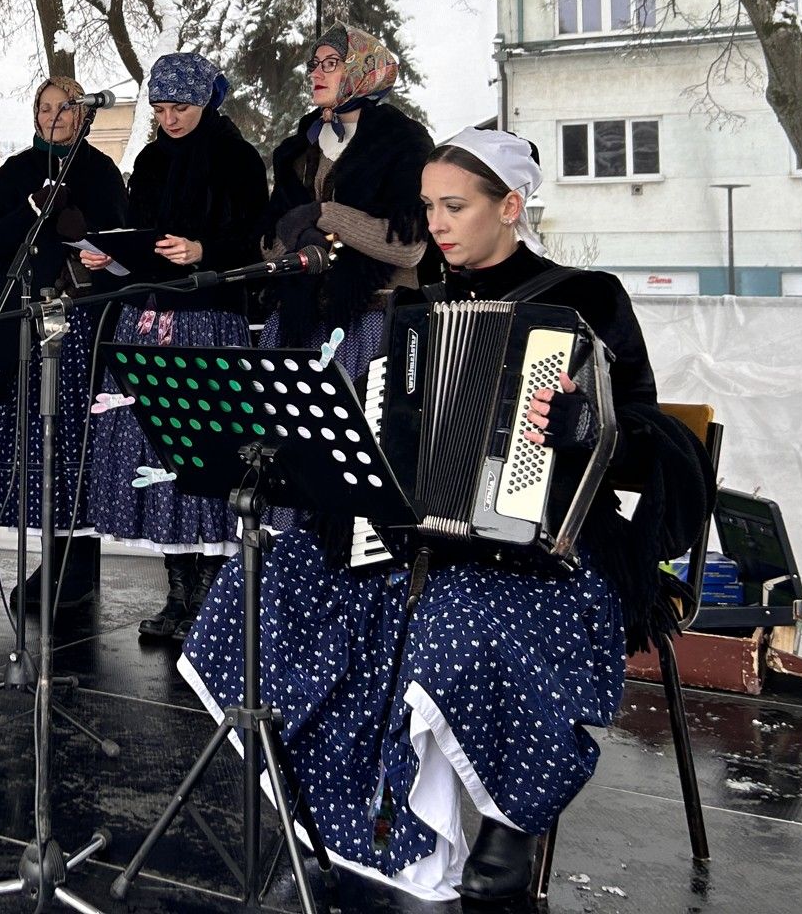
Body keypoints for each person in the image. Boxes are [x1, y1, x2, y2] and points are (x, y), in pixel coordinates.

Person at [180, 127, 712, 903]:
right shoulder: (421, 306)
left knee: (461, 612)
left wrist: (594, 425)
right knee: (273, 576)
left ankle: (510, 818)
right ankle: (338, 797)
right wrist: (348, 486)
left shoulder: (586, 296)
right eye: (429, 206)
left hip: (549, 543)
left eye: (454, 206)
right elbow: (389, 434)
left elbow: (643, 437)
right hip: (425, 534)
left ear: (510, 205)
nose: (436, 222)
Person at [82, 52, 267, 642]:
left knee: (207, 450)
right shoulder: (149, 159)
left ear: (206, 100)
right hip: (151, 317)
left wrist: (203, 250)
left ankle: (217, 594)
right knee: (158, 452)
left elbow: (255, 241)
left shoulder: (237, 157)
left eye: (180, 108)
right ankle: (179, 588)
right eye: (160, 110)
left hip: (209, 320)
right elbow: (139, 238)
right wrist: (109, 257)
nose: (169, 120)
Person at [0, 76, 128, 607]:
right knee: (33, 436)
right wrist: (31, 211)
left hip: (77, 318)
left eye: (66, 107)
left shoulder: (100, 171)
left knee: (69, 433)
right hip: (20, 313)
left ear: (84, 115)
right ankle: (50, 553)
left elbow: (117, 240)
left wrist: (86, 242)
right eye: (45, 107)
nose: (55, 115)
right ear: (34, 113)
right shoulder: (16, 169)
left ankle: (78, 564)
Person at [260, 25, 437, 381]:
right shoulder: (297, 149)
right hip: (298, 320)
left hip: (370, 318)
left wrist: (324, 215)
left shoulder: (403, 143)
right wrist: (300, 239)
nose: (314, 73)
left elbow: (408, 248)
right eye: (314, 64)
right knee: (288, 429)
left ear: (362, 70)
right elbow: (270, 243)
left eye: (330, 63)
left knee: (361, 426)